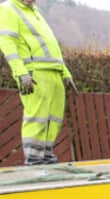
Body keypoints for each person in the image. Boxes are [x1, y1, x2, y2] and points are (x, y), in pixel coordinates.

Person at [0, 0, 76, 165]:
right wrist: (21, 72)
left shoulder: (35, 11)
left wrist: (65, 71)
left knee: (53, 119)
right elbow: (7, 43)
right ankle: (34, 160)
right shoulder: (8, 9)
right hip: (34, 74)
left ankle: (46, 158)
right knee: (37, 118)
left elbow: (51, 45)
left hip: (53, 73)